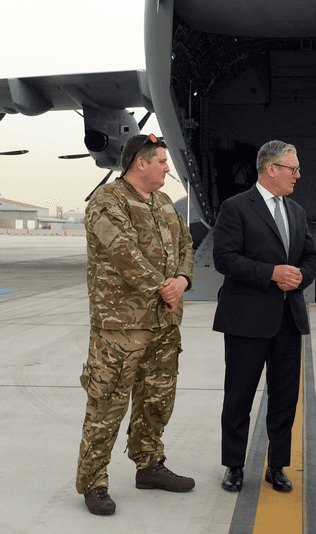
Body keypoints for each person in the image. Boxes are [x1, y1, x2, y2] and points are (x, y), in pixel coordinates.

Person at [75, 134, 195, 516]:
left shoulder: (162, 202)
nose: (166, 168)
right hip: (121, 327)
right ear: (140, 163)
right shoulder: (106, 201)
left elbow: (187, 246)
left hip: (163, 323)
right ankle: (93, 482)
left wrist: (183, 280)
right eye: (161, 161)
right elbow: (124, 253)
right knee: (107, 404)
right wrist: (165, 288)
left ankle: (149, 465)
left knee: (157, 400)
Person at [212, 140, 316, 493]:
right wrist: (272, 273)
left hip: (288, 319)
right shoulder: (236, 207)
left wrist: (301, 276)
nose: (298, 176)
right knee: (239, 395)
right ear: (271, 169)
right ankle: (234, 465)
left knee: (285, 397)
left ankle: (277, 466)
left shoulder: (297, 212)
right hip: (246, 319)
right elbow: (225, 258)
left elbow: (309, 257)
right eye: (293, 169)